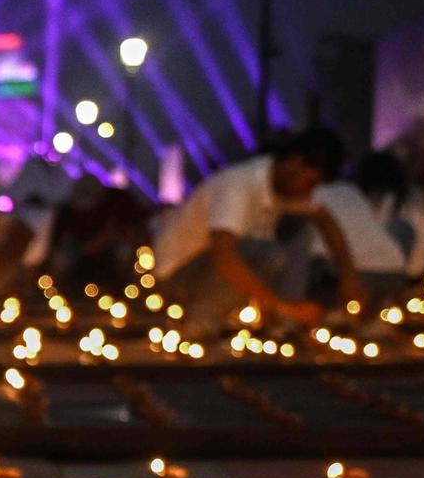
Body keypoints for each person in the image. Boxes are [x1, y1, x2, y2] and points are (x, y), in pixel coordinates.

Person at [153, 126, 362, 327]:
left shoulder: (286, 187)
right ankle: (200, 322)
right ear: (294, 164)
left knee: (301, 231)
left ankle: (285, 324)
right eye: (310, 182)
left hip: (209, 275)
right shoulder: (238, 184)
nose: (309, 193)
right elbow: (223, 255)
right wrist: (279, 306)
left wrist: (348, 276)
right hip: (175, 277)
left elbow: (326, 220)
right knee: (269, 254)